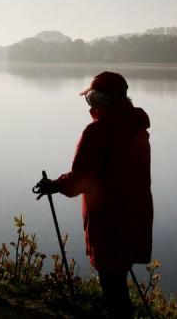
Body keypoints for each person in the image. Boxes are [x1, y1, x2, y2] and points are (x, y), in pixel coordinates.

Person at [35, 71, 153, 318]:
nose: (88, 105)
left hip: (108, 221)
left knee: (113, 291)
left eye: (89, 99)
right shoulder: (137, 128)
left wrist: (54, 185)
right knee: (119, 283)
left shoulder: (98, 132)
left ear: (100, 100)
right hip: (136, 216)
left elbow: (80, 180)